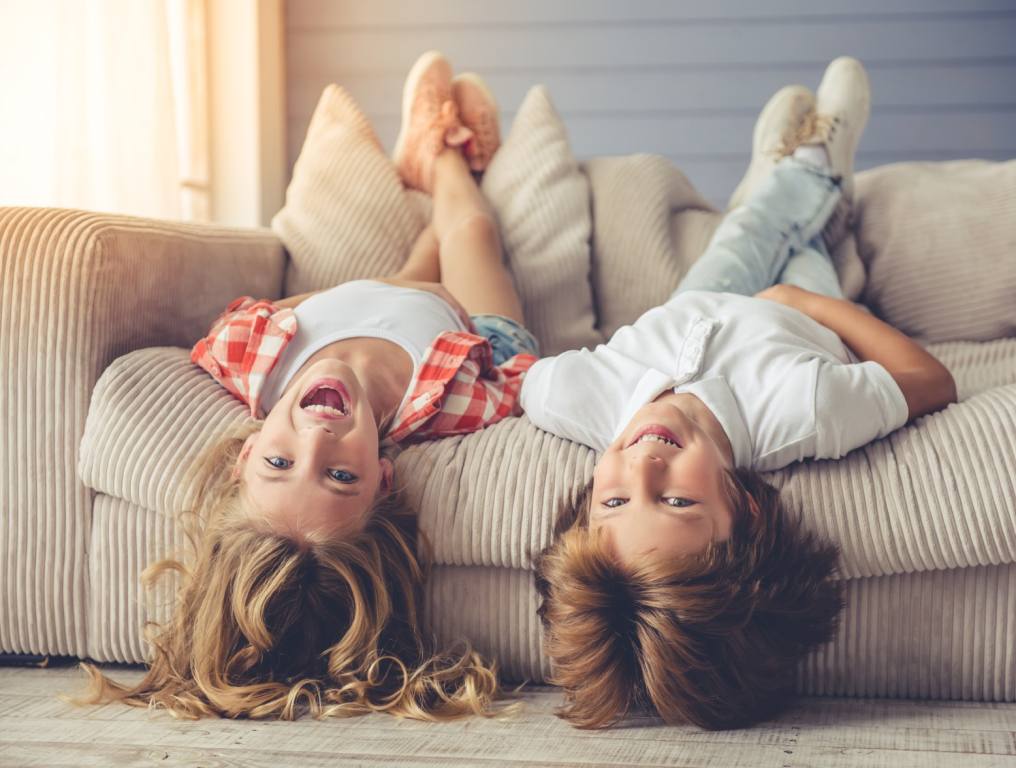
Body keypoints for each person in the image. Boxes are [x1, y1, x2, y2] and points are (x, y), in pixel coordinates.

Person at [79, 50, 537, 720]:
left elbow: (225, 331)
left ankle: (425, 200)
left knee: (408, 270)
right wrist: (476, 331)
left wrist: (342, 310)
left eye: (280, 461)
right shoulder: (448, 402)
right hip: (464, 326)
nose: (318, 438)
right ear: (383, 478)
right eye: (341, 478)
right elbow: (523, 385)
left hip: (364, 301)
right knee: (469, 229)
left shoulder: (249, 364)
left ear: (244, 453)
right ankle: (446, 154)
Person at [526, 58, 957, 730]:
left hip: (699, 296)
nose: (641, 464)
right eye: (674, 499)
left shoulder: (576, 398)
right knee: (815, 248)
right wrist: (807, 303)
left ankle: (786, 180)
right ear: (745, 512)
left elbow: (523, 378)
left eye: (612, 500)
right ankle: (816, 172)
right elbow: (932, 380)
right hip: (803, 317)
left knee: (741, 239)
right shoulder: (802, 410)